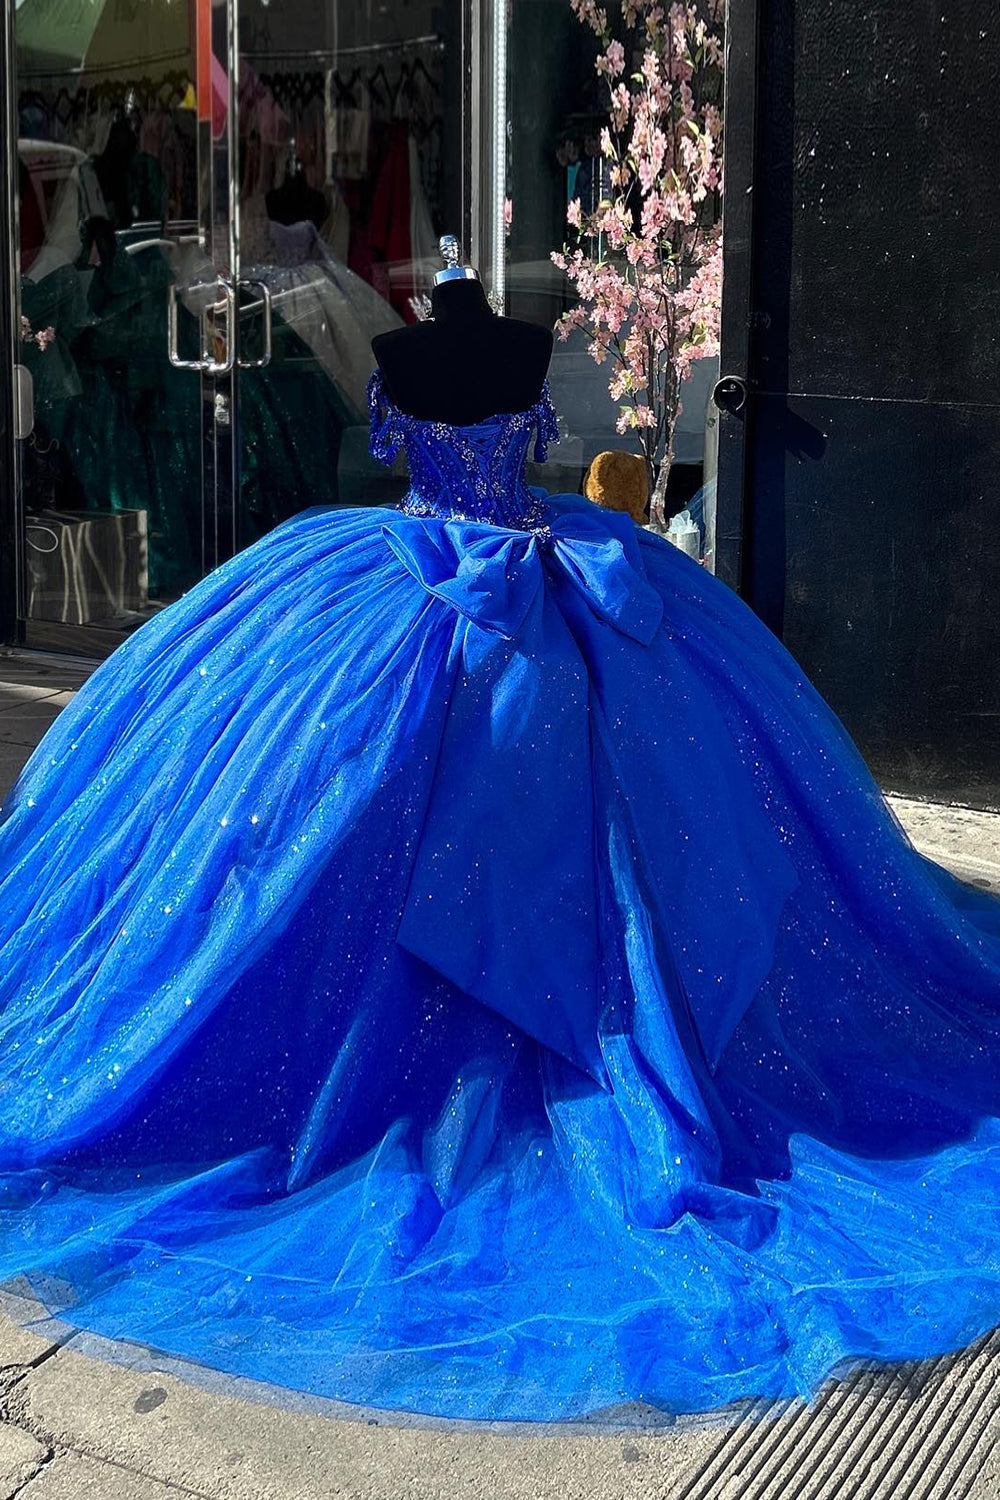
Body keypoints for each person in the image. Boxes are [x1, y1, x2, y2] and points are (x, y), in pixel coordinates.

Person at [2, 248, 1000, 1424]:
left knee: (506, 812)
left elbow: (392, 456)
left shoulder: (413, 367)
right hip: (486, 587)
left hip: (500, 582)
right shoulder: (492, 369)